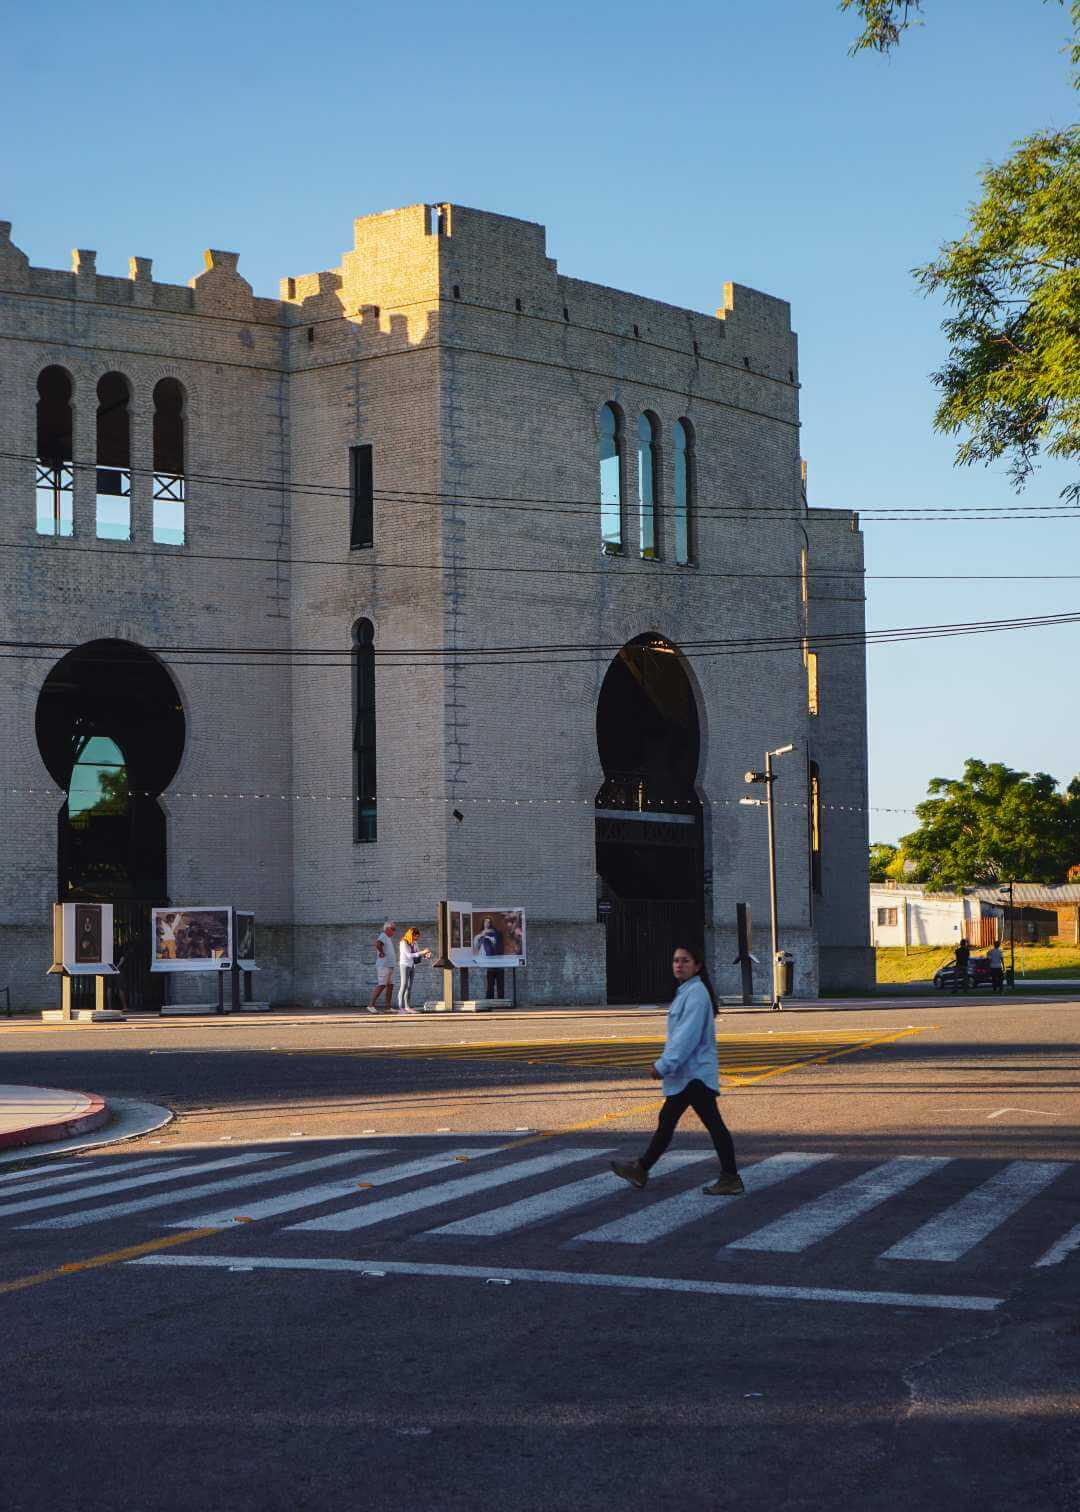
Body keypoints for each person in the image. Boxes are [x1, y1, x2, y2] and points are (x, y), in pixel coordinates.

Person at [610, 943, 743, 1197]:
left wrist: (663, 1066)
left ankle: (730, 1177)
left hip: (694, 1075)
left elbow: (685, 1037)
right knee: (668, 1121)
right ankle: (642, 1168)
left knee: (710, 1125)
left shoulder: (695, 994)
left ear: (697, 966)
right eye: (676, 960)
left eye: (685, 960)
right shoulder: (688, 991)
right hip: (688, 1075)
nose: (679, 965)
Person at [397, 926, 430, 1014]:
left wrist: (425, 955)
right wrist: (422, 952)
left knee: (409, 986)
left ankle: (407, 1007)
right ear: (412, 935)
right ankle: (400, 1008)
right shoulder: (403, 942)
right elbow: (409, 955)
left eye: (417, 937)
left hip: (412, 965)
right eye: (416, 936)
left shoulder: (414, 943)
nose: (417, 938)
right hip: (404, 965)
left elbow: (417, 953)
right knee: (403, 985)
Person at [367, 920, 397, 1012]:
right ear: (387, 929)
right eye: (393, 929)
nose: (394, 931)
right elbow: (378, 944)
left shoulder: (388, 938)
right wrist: (382, 952)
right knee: (382, 985)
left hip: (389, 965)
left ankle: (388, 1007)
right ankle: (371, 1005)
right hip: (384, 966)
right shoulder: (383, 935)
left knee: (390, 985)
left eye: (394, 929)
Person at [474, 915, 504, 999]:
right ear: (483, 923)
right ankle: (489, 998)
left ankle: (500, 999)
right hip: (485, 958)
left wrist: (490, 939)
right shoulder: (481, 933)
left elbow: (497, 944)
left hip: (495, 959)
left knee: (499, 982)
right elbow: (476, 945)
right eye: (485, 922)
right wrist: (481, 936)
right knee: (490, 982)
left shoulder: (495, 933)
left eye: (489, 922)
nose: (487, 923)